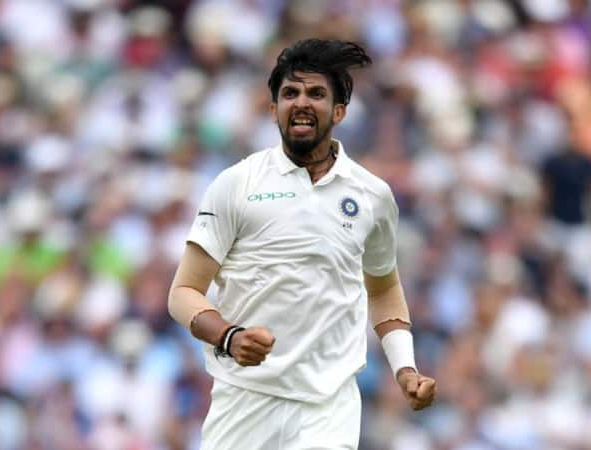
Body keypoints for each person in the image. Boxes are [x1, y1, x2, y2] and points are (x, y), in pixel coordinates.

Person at [168, 38, 436, 449]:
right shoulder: (236, 184)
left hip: (328, 405)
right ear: (273, 108)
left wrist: (404, 368)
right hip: (245, 399)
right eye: (290, 93)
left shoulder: (372, 195)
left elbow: (382, 288)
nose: (301, 102)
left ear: (340, 111)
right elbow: (184, 292)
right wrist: (229, 336)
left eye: (316, 93)